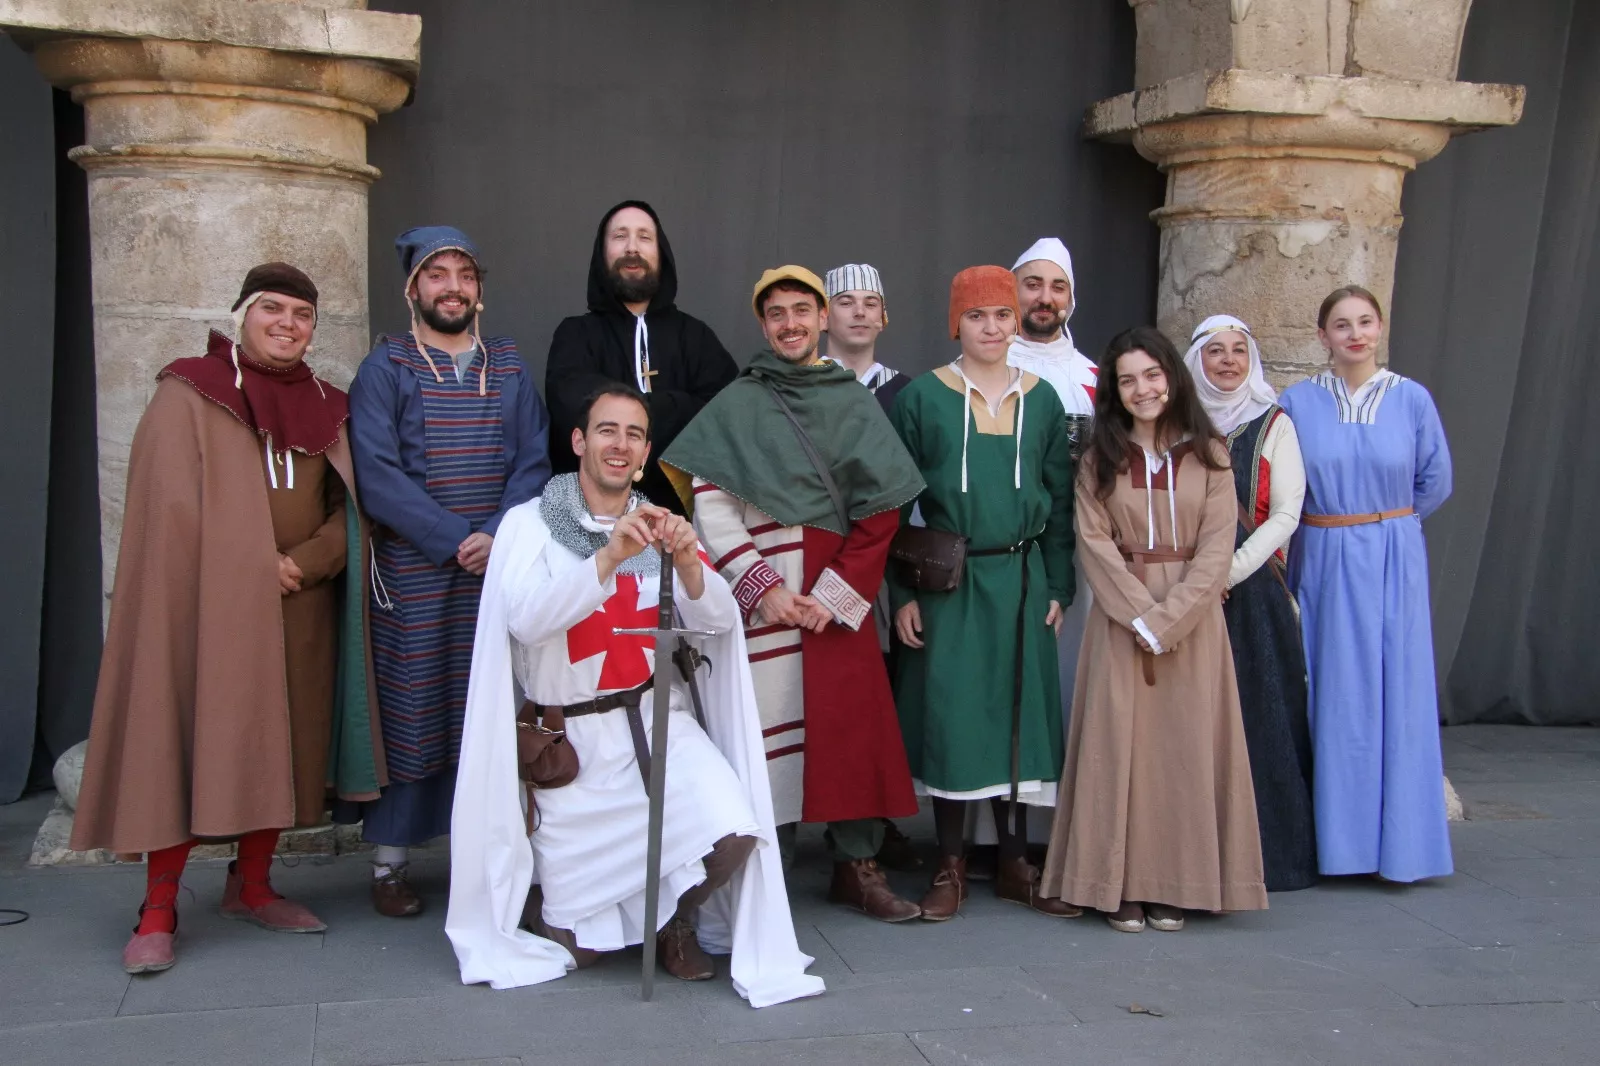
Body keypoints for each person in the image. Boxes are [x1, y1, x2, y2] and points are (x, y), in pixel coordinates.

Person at [446, 386, 823, 1004]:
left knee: (733, 829)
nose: (619, 445)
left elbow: (719, 624)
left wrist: (690, 564)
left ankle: (674, 921)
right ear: (579, 441)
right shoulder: (529, 525)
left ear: (646, 453)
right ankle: (559, 910)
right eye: (606, 430)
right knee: (577, 953)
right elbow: (528, 622)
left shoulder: (664, 523)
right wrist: (609, 558)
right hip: (573, 747)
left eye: (634, 435)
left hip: (657, 724)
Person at [71, 263, 381, 974]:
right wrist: (251, 563)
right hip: (208, 615)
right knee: (186, 741)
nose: (287, 324)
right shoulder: (188, 392)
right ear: (243, 314)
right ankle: (158, 909)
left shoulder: (329, 404)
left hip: (300, 608)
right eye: (272, 309)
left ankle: (254, 886)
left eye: (301, 315)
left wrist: (305, 562)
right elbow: (167, 511)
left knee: (285, 745)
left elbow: (349, 512)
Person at [661, 266, 926, 922]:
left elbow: (884, 507)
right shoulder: (738, 403)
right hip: (767, 600)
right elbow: (712, 506)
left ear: (822, 318)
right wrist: (765, 589)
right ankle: (765, 871)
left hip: (835, 593)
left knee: (850, 728)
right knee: (765, 735)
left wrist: (834, 594)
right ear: (762, 324)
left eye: (802, 310)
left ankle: (856, 866)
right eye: (776, 313)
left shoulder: (852, 400)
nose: (790, 323)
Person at [345, 226, 552, 917]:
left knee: (490, 709)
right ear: (414, 289)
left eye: (465, 274)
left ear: (479, 291)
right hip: (414, 573)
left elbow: (533, 461)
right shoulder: (386, 368)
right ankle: (390, 864)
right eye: (438, 275)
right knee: (415, 707)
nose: (453, 287)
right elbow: (377, 474)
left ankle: (488, 859)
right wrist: (454, 537)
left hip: (495, 569)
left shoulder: (509, 365)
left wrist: (496, 534)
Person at [1039, 326, 1267, 932]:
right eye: (1127, 380)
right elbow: (1094, 544)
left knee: (1183, 751)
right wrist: (1141, 616)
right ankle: (1117, 884)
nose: (1142, 389)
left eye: (1152, 375)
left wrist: (1170, 620)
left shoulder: (1210, 454)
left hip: (1193, 623)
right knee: (1121, 751)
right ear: (1114, 391)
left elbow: (1216, 550)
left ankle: (1178, 882)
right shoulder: (1099, 460)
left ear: (1171, 377)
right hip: (1122, 620)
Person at [887, 266, 1080, 920]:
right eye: (977, 316)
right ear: (956, 323)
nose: (992, 327)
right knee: (955, 715)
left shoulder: (1043, 400)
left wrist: (1059, 584)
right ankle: (950, 864)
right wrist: (901, 592)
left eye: (1002, 315)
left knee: (1016, 713)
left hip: (1022, 576)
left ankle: (1015, 863)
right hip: (950, 580)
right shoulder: (923, 398)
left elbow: (1060, 502)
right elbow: (894, 504)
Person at [1279, 286, 1454, 883]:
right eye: (1341, 324)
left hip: (1391, 555)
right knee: (1333, 691)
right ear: (1322, 335)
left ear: (1380, 327)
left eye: (1364, 322)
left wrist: (1386, 528)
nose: (1355, 334)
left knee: (1397, 688)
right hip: (1324, 554)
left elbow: (1435, 480)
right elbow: (1283, 482)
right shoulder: (1297, 402)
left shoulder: (1412, 399)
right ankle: (1339, 845)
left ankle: (1403, 846)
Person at [1183, 314, 1317, 892]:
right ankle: (1191, 856)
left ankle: (1271, 858)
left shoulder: (1274, 423)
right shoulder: (1176, 422)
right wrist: (1195, 580)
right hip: (1185, 589)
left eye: (1239, 350)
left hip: (1254, 592)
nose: (1229, 361)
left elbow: (1286, 511)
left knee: (1260, 716)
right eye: (1216, 351)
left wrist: (1230, 572)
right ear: (1197, 360)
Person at [545, 201, 738, 512]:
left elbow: (725, 417)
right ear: (602, 253)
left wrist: (619, 407)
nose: (632, 248)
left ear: (661, 253)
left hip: (681, 520)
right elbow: (573, 412)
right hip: (591, 519)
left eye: (644, 237)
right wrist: (678, 406)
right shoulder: (575, 335)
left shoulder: (696, 338)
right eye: (620, 236)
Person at [823, 263, 910, 413]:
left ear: (882, 318)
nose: (860, 312)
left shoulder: (905, 392)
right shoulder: (802, 384)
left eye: (870, 304)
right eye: (846, 303)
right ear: (823, 317)